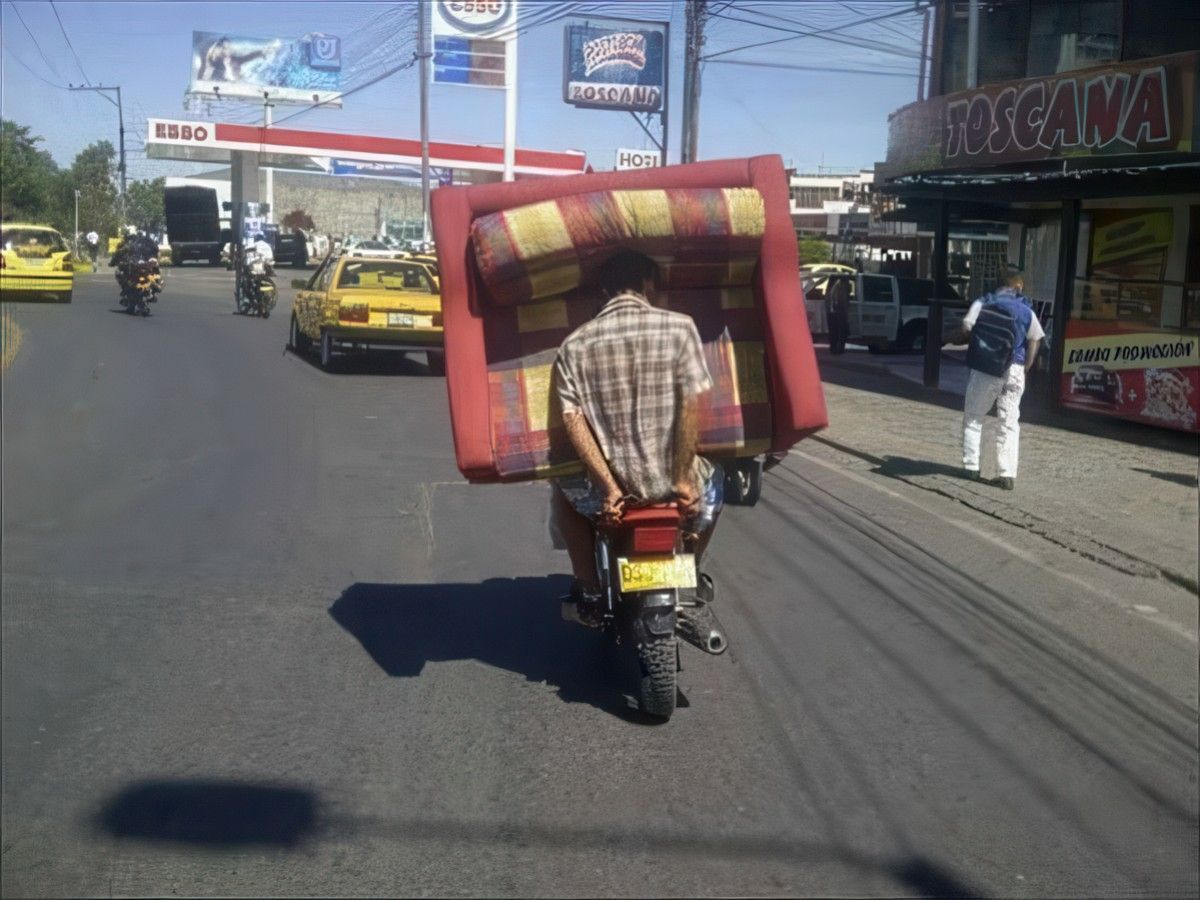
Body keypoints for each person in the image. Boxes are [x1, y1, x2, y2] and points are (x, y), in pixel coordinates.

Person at [551, 251, 722, 628]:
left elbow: (573, 420)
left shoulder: (573, 345)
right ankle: (689, 569)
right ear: (648, 284)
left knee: (561, 494)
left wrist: (610, 488)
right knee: (717, 485)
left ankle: (591, 591)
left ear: (603, 291)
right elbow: (691, 407)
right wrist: (681, 476)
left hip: (608, 495)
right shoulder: (680, 327)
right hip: (673, 486)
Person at [959, 272, 1045, 490]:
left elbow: (965, 330)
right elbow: (1036, 338)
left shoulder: (983, 303)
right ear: (1018, 287)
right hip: (1014, 369)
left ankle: (971, 467)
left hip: (987, 367)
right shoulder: (1026, 309)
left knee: (974, 416)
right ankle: (1006, 474)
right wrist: (1026, 366)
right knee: (1009, 422)